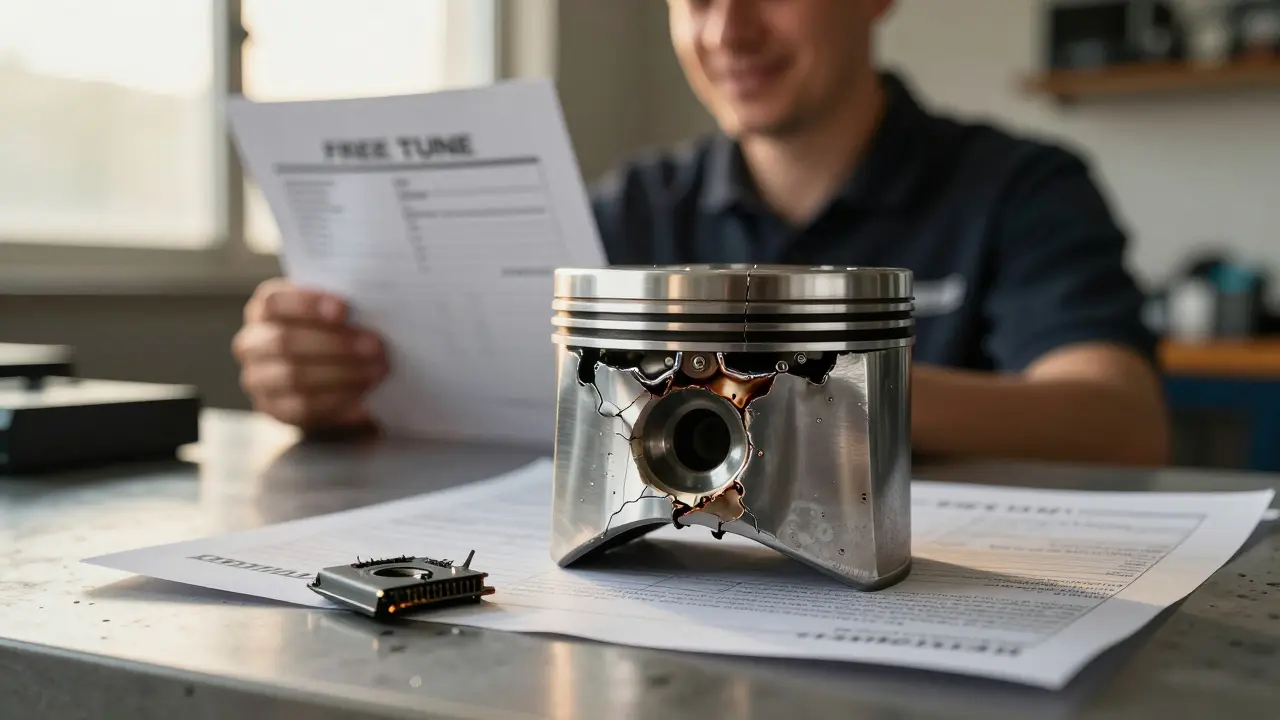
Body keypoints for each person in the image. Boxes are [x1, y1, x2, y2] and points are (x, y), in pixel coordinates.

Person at [233, 0, 1170, 466]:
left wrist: (792, 385)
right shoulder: (632, 211)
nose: (728, 30)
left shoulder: (1021, 188)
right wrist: (339, 378)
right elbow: (514, 399)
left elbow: (1122, 425)